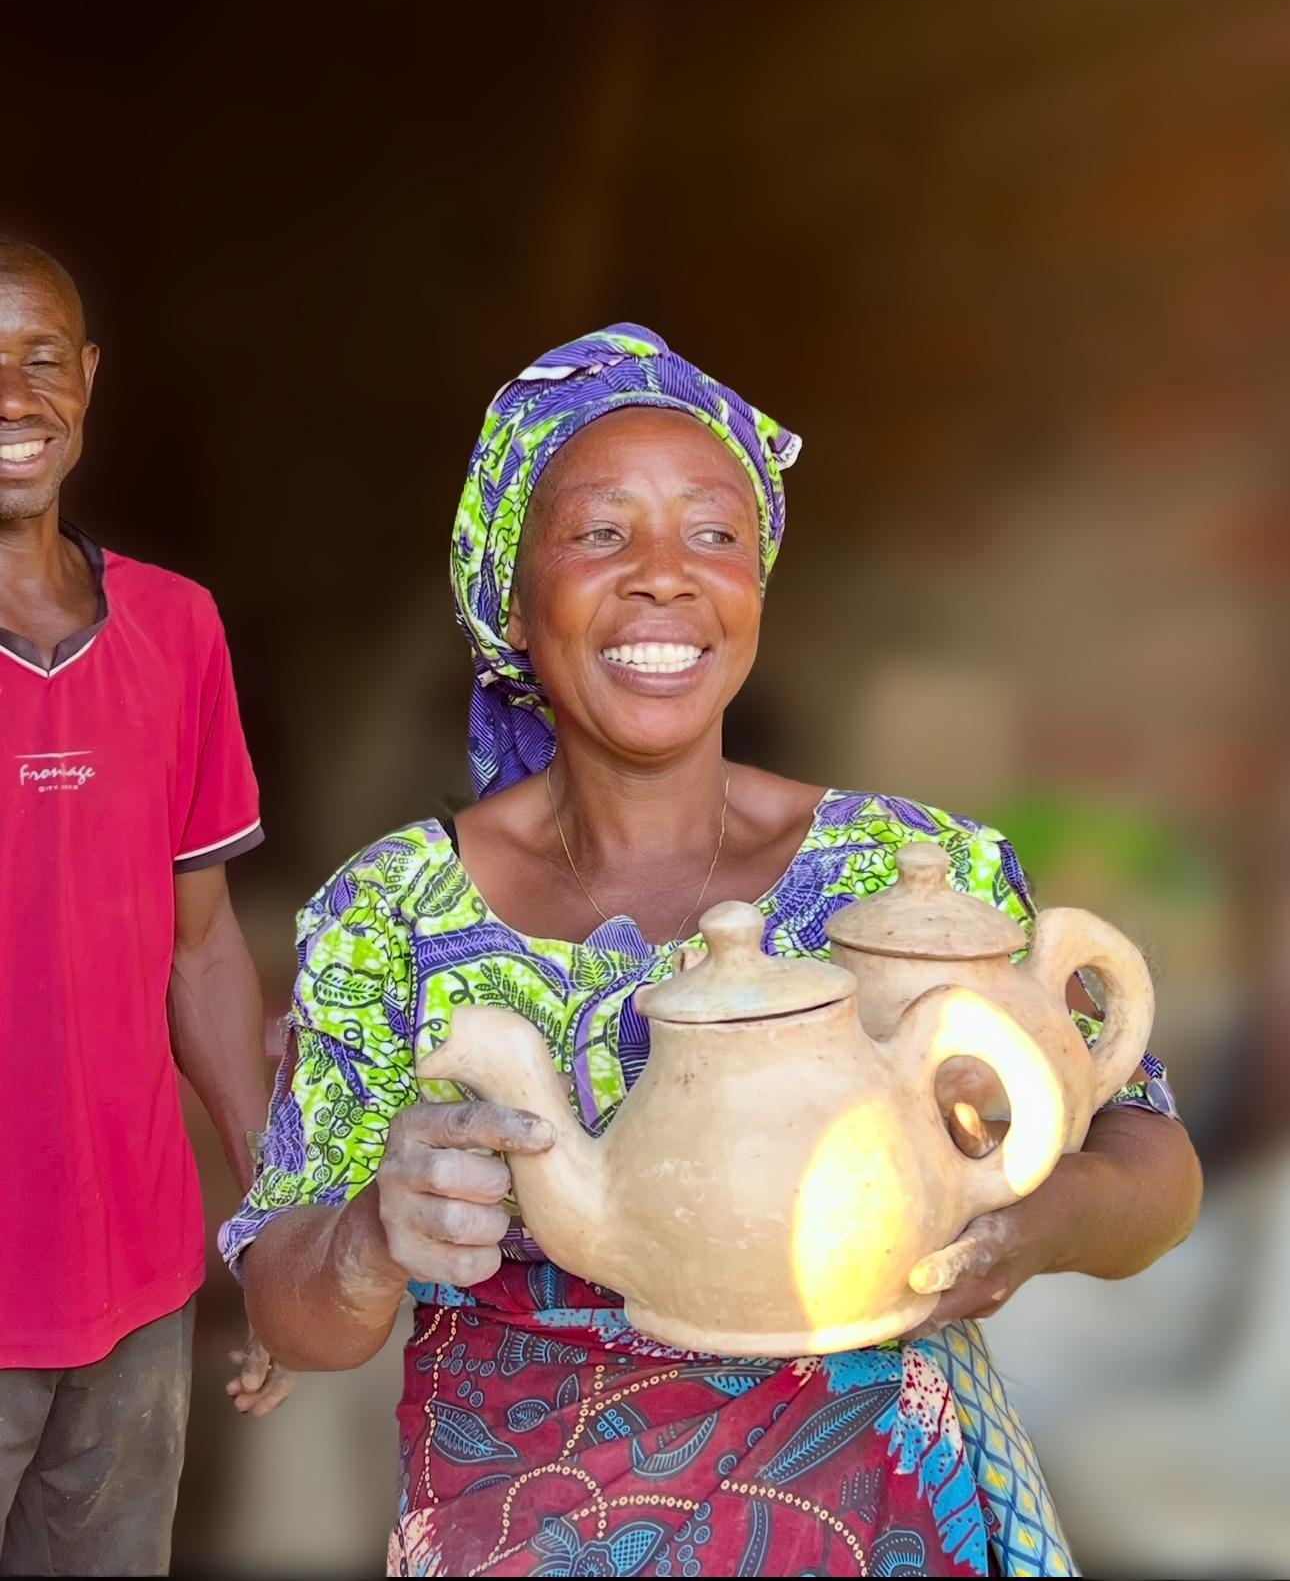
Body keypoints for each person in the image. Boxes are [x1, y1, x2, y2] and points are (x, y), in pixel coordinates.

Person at [225, 324, 1202, 1578]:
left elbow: (1152, 1156)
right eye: (600, 532)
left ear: (754, 588)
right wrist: (370, 1235)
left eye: (713, 533)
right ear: (512, 602)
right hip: (532, 1525)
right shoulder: (394, 914)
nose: (664, 576)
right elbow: (290, 1308)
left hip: (898, 1516)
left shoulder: (905, 866)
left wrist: (1037, 1224)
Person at [0, 238, 291, 1577]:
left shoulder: (177, 630)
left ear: (88, 381)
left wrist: (271, 1217)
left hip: (139, 1292)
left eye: (41, 358)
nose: (15, 392)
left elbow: (204, 944)